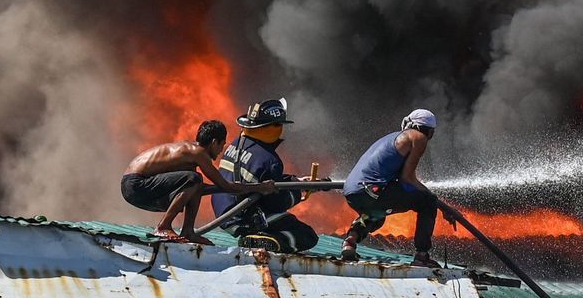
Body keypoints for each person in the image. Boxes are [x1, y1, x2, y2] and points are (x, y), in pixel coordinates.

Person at [121, 120, 275, 243]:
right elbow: (225, 185)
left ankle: (188, 231)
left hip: (136, 187)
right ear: (214, 142)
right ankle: (163, 226)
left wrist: (227, 188)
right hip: (135, 184)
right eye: (222, 144)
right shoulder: (198, 153)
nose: (222, 150)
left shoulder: (190, 154)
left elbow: (198, 189)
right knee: (195, 179)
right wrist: (260, 187)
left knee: (195, 183)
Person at [211, 97, 319, 253]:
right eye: (279, 125)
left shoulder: (237, 143)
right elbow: (276, 203)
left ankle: (256, 236)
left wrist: (296, 181)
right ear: (272, 128)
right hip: (244, 216)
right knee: (306, 235)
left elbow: (261, 178)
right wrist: (297, 192)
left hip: (223, 211)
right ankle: (268, 241)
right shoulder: (269, 160)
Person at [342, 108, 444, 265]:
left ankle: (350, 241)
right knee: (428, 202)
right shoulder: (418, 137)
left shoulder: (391, 138)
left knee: (376, 215)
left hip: (352, 193)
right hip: (372, 191)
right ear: (429, 132)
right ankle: (422, 256)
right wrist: (434, 198)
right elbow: (408, 179)